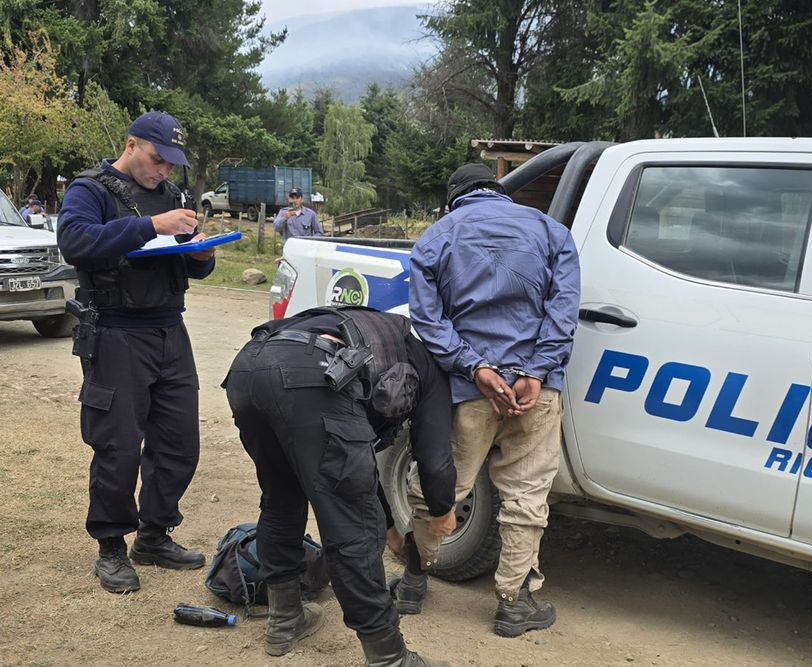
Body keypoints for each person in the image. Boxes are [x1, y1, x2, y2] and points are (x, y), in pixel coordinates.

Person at [401, 163, 581, 637]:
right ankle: (512, 605)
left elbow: (427, 319)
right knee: (526, 495)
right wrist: (536, 372)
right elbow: (564, 312)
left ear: (455, 197)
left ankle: (414, 581)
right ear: (499, 193)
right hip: (535, 393)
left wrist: (474, 368)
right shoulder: (552, 231)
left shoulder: (438, 236)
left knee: (439, 489)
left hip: (467, 392)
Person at [224, 304, 455, 665]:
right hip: (313, 375)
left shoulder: (380, 331)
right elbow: (434, 458)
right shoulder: (429, 362)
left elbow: (358, 469)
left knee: (281, 496)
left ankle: (285, 619)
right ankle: (389, 657)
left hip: (249, 366)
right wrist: (442, 510)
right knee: (353, 526)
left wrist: (392, 528)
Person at [56, 111, 216, 594]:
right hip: (116, 333)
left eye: (172, 164)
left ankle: (154, 534)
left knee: (179, 441)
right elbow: (76, 242)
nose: (164, 171)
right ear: (131, 144)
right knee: (118, 446)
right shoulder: (91, 189)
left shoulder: (172, 197)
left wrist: (201, 256)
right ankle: (110, 546)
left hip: (169, 329)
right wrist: (150, 225)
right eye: (157, 159)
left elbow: (182, 264)